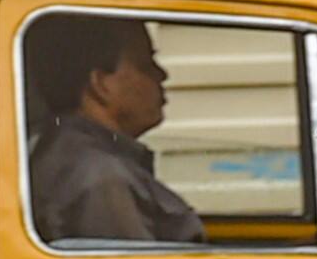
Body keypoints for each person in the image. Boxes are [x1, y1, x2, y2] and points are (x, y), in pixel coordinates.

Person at [24, 14, 205, 244]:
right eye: (145, 64)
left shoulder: (64, 154)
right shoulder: (103, 179)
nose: (162, 74)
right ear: (101, 84)